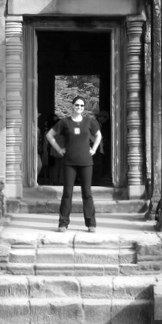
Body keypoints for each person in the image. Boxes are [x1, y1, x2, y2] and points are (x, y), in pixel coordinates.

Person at [46, 95, 102, 233]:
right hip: (69, 162)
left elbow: (99, 136)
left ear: (84, 107)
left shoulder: (89, 122)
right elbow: (49, 135)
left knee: (87, 193)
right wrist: (59, 149)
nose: (79, 107)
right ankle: (63, 223)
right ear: (73, 106)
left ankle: (91, 224)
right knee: (67, 193)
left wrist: (94, 149)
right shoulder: (65, 122)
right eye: (77, 105)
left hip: (86, 162)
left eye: (82, 105)